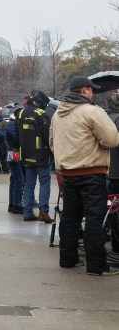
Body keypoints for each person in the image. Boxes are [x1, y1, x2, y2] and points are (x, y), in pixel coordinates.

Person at [50, 76, 119, 275]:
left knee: (70, 218)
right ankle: (97, 266)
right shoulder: (92, 112)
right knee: (94, 219)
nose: (93, 94)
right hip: (91, 172)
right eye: (92, 90)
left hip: (67, 174)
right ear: (86, 90)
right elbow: (112, 139)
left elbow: (53, 142)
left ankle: (68, 259)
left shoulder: (58, 114)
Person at [15, 90, 53, 223]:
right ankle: (43, 211)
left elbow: (15, 134)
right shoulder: (41, 114)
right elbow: (49, 137)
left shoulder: (20, 113)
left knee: (29, 183)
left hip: (25, 155)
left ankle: (27, 212)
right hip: (40, 155)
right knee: (45, 181)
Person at [104, 93, 119, 253]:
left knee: (109, 206)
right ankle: (116, 242)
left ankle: (109, 234)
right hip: (116, 172)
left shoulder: (102, 117)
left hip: (104, 170)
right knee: (115, 208)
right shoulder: (117, 119)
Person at [5, 106, 24, 214]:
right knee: (19, 180)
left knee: (14, 179)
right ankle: (16, 204)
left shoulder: (12, 123)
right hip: (14, 153)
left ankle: (13, 203)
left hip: (13, 153)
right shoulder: (12, 124)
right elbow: (16, 138)